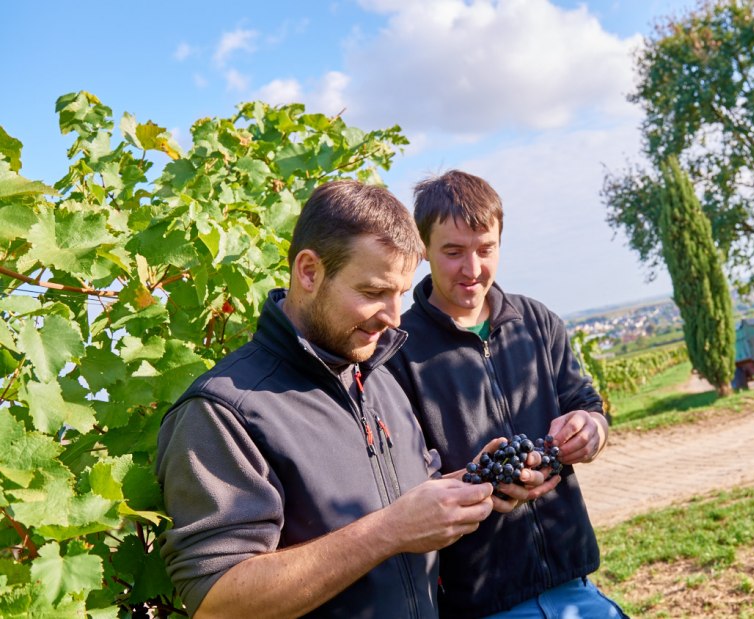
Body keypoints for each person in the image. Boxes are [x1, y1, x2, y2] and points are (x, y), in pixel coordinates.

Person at [156, 180, 504, 618]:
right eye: (373, 293)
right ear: (308, 272)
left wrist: (472, 484)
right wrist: (390, 531)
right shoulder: (223, 411)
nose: (393, 318)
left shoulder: (377, 377)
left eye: (399, 294)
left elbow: (405, 500)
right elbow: (218, 603)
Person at [386, 170, 626, 618]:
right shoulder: (397, 351)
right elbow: (400, 483)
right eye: (453, 252)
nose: (472, 269)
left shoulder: (537, 321)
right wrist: (477, 484)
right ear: (423, 250)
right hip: (480, 602)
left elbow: (587, 405)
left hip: (573, 582)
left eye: (485, 249)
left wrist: (592, 430)